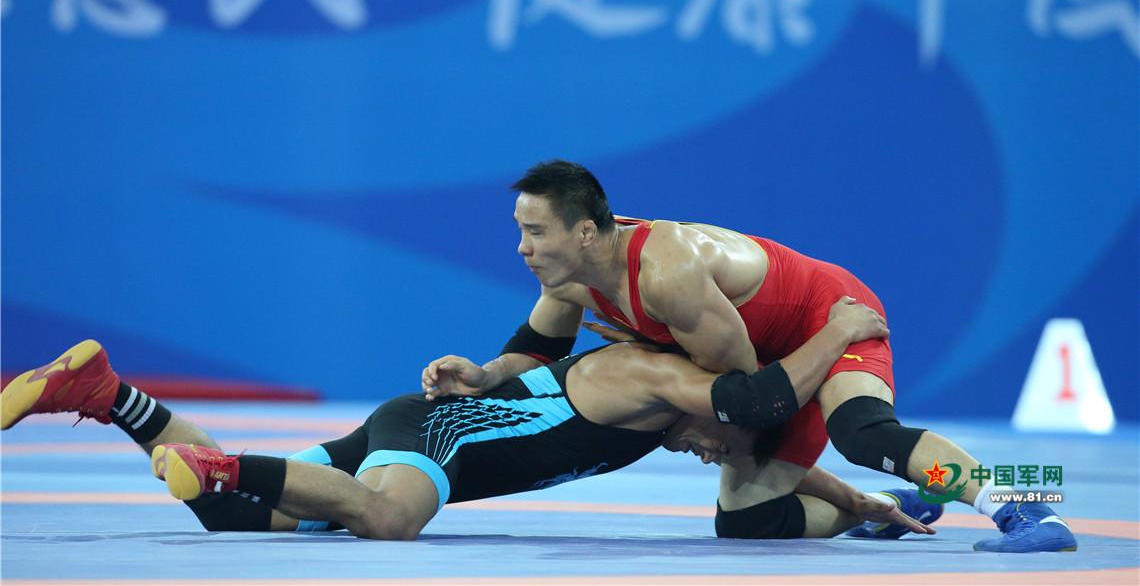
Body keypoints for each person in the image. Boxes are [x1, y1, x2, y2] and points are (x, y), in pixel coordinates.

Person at [421, 159, 1075, 553]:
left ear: (586, 232)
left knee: (863, 433)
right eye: (521, 231)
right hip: (764, 366)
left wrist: (690, 415)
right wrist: (484, 375)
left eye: (535, 232)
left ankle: (1027, 505)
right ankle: (897, 501)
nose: (523, 247)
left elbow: (752, 398)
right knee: (751, 521)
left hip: (829, 319)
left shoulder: (666, 274)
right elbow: (536, 353)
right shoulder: (569, 279)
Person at [2, 300, 935, 541]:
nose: (710, 456)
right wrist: (839, 334)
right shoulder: (668, 382)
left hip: (415, 423)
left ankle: (106, 395)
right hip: (437, 435)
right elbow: (757, 411)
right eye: (720, 450)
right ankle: (226, 465)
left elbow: (767, 448)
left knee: (226, 518)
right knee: (389, 519)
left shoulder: (662, 409)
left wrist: (861, 503)